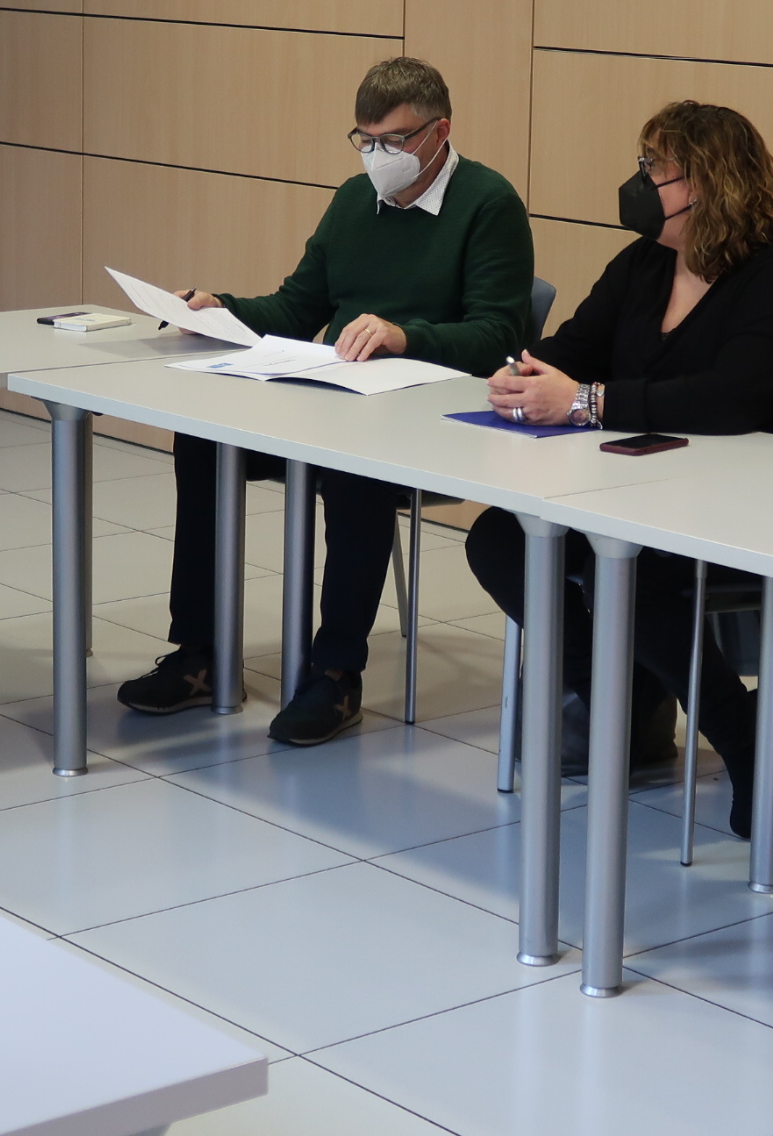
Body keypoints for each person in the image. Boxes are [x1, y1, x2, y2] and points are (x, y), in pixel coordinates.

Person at [116, 57, 534, 746]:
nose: (378, 156)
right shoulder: (351, 200)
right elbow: (296, 304)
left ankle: (336, 672)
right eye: (365, 140)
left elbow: (498, 336)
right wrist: (222, 309)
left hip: (424, 413)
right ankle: (199, 654)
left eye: (395, 141)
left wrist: (405, 335)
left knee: (352, 469)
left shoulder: (488, 204)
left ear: (439, 132)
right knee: (202, 439)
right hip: (337, 392)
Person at [463, 101, 773, 839]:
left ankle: (741, 737)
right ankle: (624, 697)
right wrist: (529, 375)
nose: (639, 184)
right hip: (652, 484)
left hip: (770, 498)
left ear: (711, 183)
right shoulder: (645, 262)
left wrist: (584, 402)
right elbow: (578, 344)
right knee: (500, 540)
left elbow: (732, 398)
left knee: (633, 567)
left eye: (655, 170)